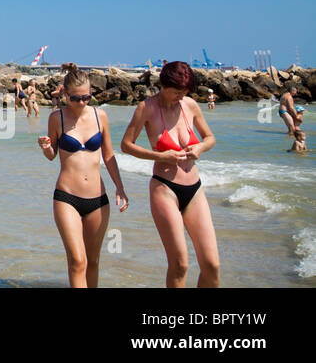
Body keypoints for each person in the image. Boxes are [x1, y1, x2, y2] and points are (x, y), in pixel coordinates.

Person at [120, 61, 220, 288]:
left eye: (184, 92)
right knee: (180, 264)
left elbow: (210, 138)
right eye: (176, 92)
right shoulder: (147, 108)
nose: (180, 96)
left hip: (194, 189)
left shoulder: (191, 105)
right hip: (164, 188)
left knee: (212, 264)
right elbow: (126, 145)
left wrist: (200, 148)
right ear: (163, 85)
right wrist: (161, 157)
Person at [37, 67, 129, 288]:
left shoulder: (100, 116)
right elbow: (52, 156)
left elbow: (108, 155)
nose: (81, 102)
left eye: (86, 97)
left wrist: (120, 188)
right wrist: (45, 147)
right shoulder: (56, 118)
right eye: (76, 98)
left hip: (98, 199)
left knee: (93, 261)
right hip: (66, 198)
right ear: (65, 94)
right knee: (78, 261)